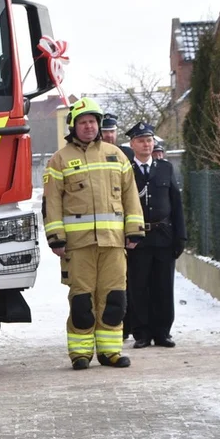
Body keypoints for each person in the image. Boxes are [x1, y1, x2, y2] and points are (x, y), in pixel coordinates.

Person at [42, 97, 145, 370]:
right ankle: (80, 353)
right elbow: (51, 202)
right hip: (78, 245)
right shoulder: (60, 159)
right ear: (73, 127)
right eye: (83, 122)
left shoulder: (117, 155)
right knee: (82, 301)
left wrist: (134, 230)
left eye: (92, 121)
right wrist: (55, 237)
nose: (88, 126)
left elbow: (130, 195)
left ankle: (110, 352)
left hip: (113, 242)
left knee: (114, 299)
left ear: (99, 124)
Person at [123, 122, 186, 348]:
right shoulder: (126, 170)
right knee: (138, 287)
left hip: (163, 236)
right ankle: (141, 333)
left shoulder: (165, 168)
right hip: (137, 238)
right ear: (132, 144)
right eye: (141, 141)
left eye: (149, 140)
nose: (146, 145)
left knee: (163, 287)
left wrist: (180, 237)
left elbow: (176, 204)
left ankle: (163, 332)